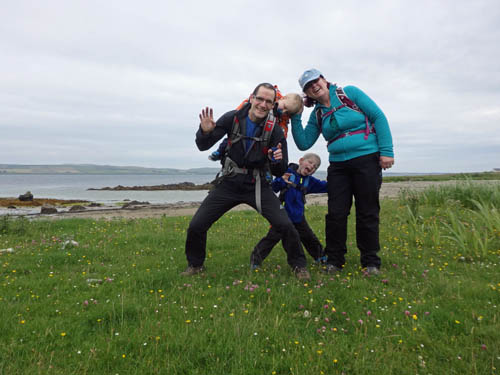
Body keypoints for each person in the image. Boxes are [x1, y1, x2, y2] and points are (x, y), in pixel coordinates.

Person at [182, 82, 310, 280]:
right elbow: (203, 145)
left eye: (269, 101)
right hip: (229, 182)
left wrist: (276, 161)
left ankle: (299, 266)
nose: (263, 104)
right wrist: (205, 131)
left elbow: (280, 169)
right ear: (251, 98)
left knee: (285, 225)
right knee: (197, 225)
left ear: (273, 104)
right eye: (260, 99)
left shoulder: (275, 130)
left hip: (257, 184)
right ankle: (195, 265)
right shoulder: (233, 117)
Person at [291, 69, 394, 275]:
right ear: (307, 94)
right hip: (338, 165)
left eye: (315, 81)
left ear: (324, 79)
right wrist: (295, 117)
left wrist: (387, 151)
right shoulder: (317, 114)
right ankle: (334, 261)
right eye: (308, 87)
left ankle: (371, 262)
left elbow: (378, 117)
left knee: (367, 211)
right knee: (336, 213)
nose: (313, 86)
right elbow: (303, 143)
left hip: (367, 159)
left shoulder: (349, 93)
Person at [250, 152, 327, 268]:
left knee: (309, 237)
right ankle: (255, 260)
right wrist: (281, 180)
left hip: (299, 217)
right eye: (310, 162)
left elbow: (325, 186)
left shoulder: (309, 181)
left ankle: (320, 257)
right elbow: (273, 188)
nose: (312, 167)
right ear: (301, 161)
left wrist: (335, 179)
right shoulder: (287, 173)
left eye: (315, 167)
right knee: (271, 239)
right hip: (282, 217)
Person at [208, 90, 303, 161]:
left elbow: (281, 135)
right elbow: (246, 106)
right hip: (245, 128)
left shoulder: (282, 120)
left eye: (287, 112)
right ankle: (220, 151)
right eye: (285, 107)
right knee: (231, 139)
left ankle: (266, 170)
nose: (284, 111)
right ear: (283, 98)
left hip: (262, 136)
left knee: (263, 150)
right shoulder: (268, 98)